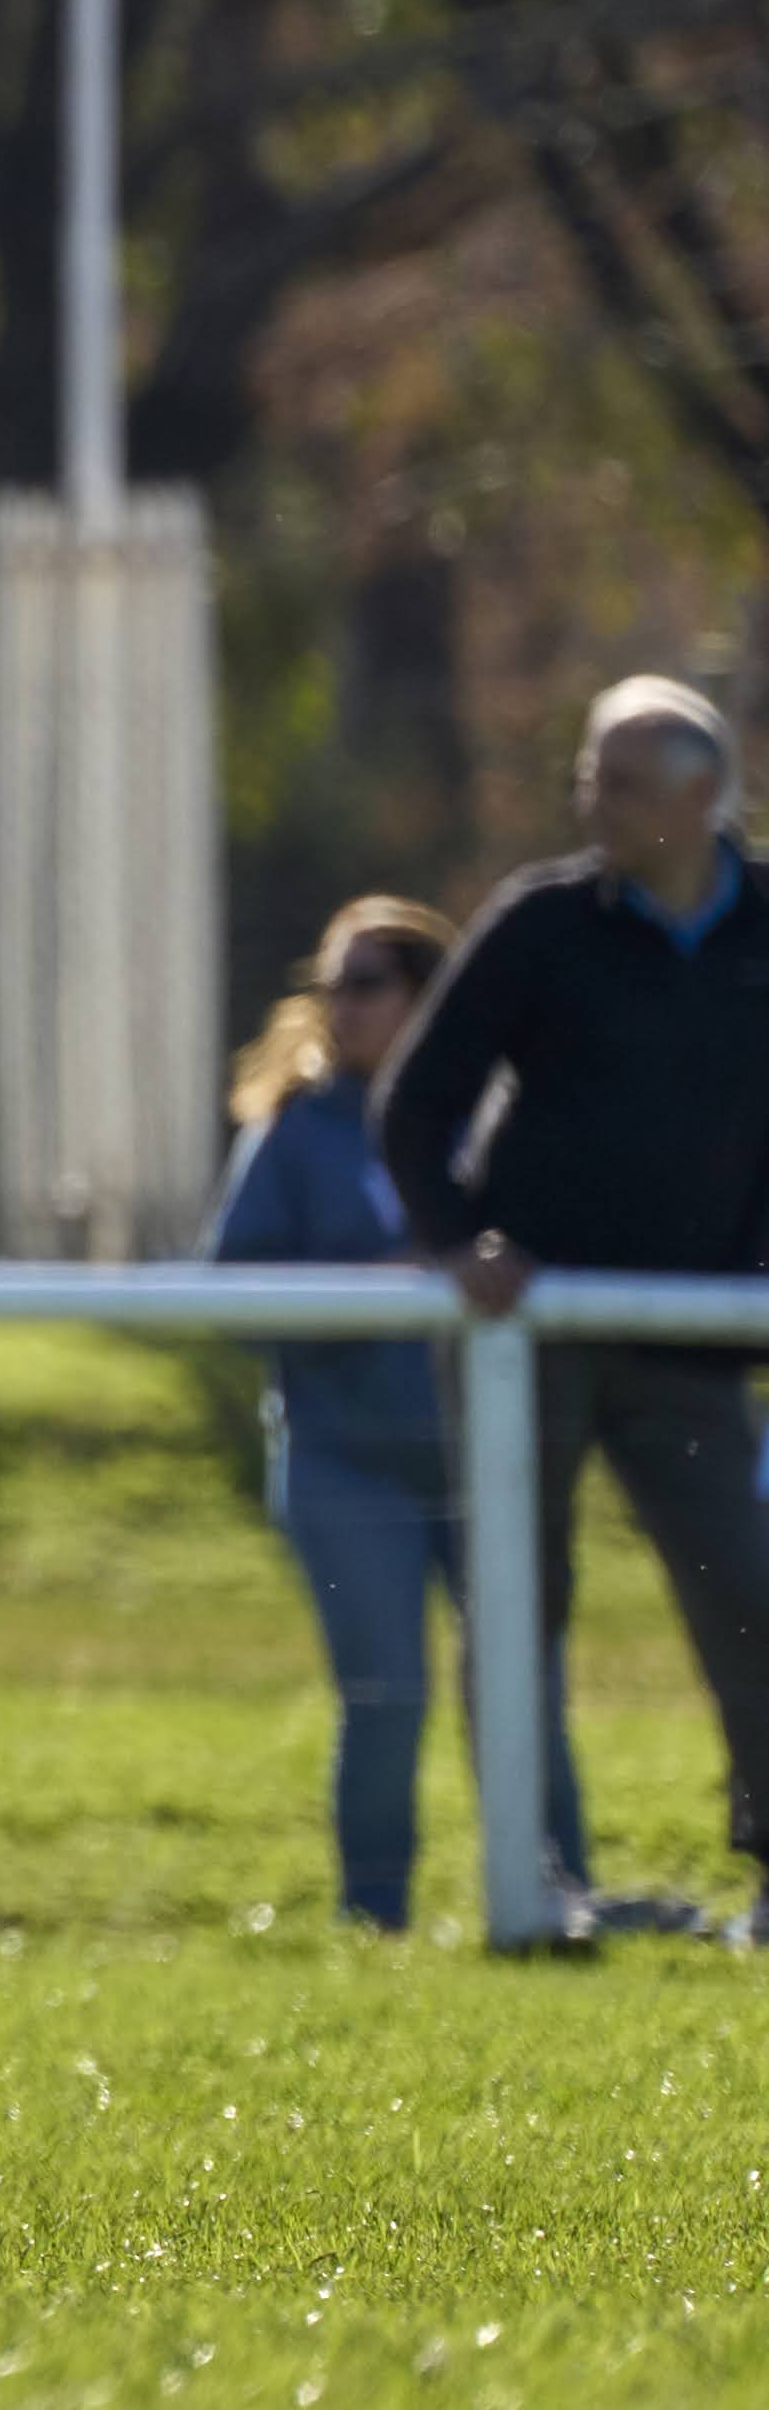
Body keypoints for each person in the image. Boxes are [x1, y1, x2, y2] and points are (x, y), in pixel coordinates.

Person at [378, 676, 769, 1930]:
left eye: (622, 783)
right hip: (525, 1335)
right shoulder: (540, 924)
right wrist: (458, 1244)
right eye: (588, 778)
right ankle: (529, 1880)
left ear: (704, 795)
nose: (591, 803)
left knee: (747, 1593)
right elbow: (416, 1105)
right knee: (513, 1600)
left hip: (692, 1338)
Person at [210, 894, 585, 1936]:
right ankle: (373, 1915)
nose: (341, 1006)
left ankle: (561, 1893)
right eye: (330, 983)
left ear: (429, 998)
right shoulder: (293, 1131)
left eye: (366, 982)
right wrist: (381, 1281)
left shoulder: (497, 1113)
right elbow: (227, 1290)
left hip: (488, 1457)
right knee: (385, 1695)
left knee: (522, 1682)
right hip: (344, 1459)